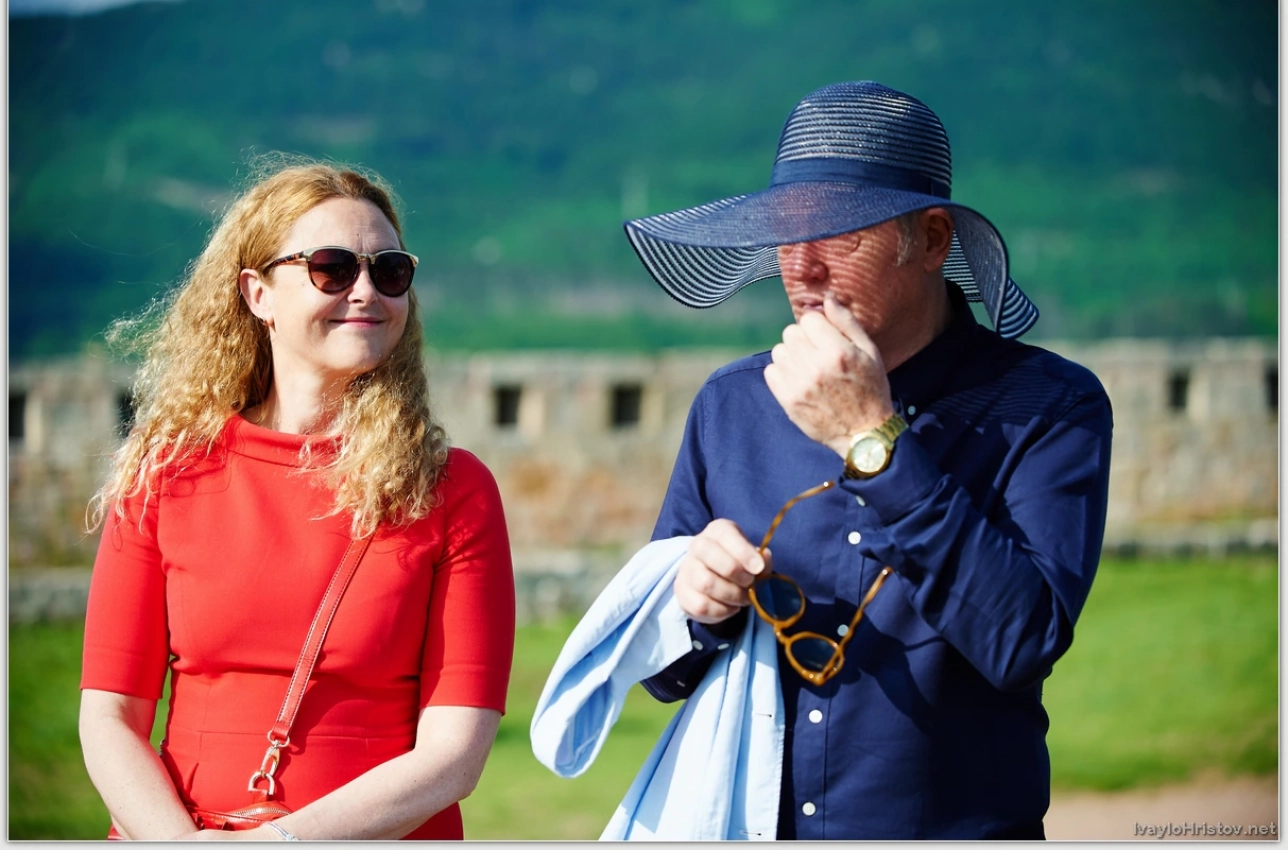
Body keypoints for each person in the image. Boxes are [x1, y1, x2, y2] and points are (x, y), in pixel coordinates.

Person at [621, 81, 1114, 839]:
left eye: (840, 234)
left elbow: (1024, 642)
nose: (803, 268)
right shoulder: (732, 405)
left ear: (934, 239)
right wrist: (694, 606)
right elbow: (660, 674)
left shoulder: (1048, 406)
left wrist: (870, 438)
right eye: (788, 234)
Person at [78, 159, 516, 840]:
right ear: (258, 295)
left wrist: (281, 842)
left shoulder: (453, 490)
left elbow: (454, 754)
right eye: (332, 269)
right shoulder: (166, 473)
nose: (366, 291)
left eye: (390, 271)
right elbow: (109, 716)